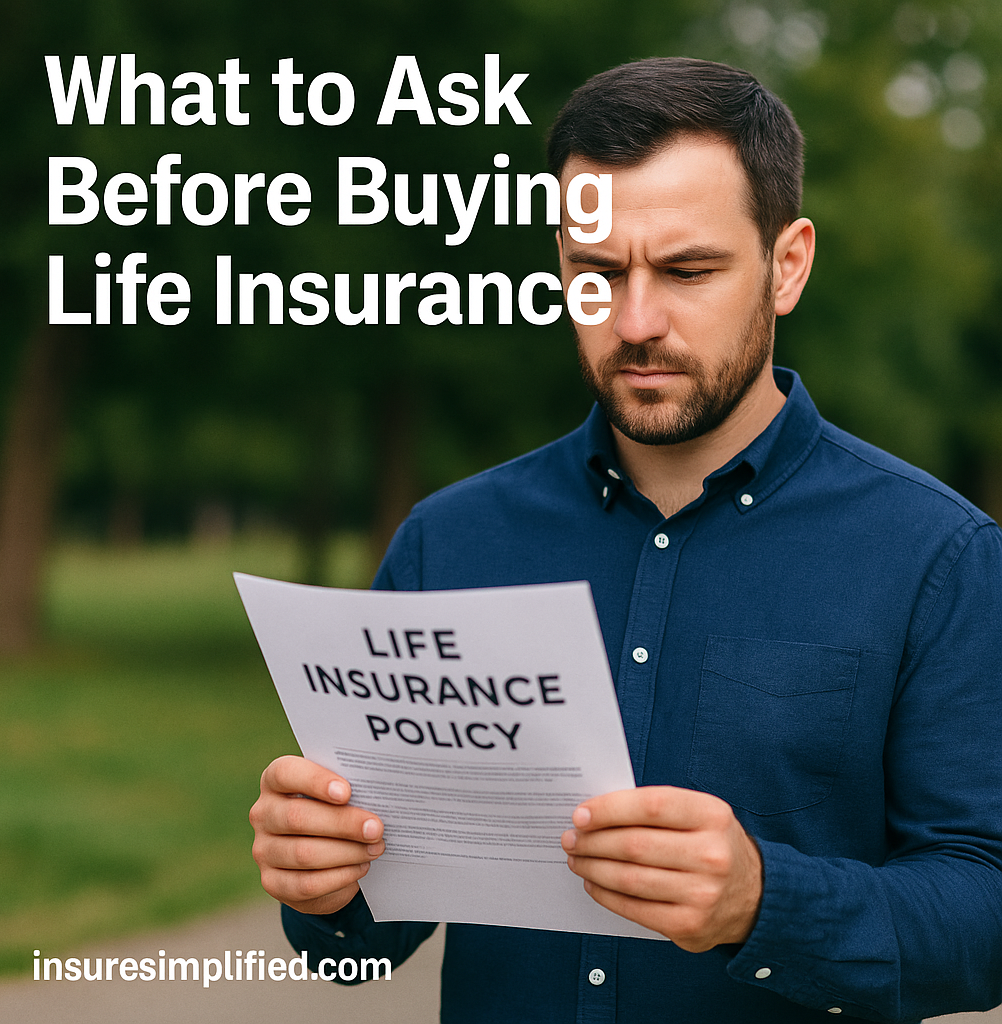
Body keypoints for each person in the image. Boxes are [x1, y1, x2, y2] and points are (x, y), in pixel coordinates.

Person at [248, 57, 1002, 1022]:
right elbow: (361, 945)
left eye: (688, 271)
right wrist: (325, 887)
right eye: (596, 273)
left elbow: (983, 913)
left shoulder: (937, 556)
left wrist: (766, 903)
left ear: (788, 264)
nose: (635, 321)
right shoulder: (450, 542)